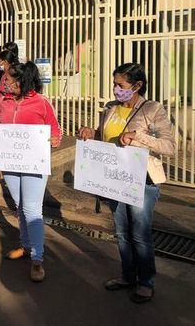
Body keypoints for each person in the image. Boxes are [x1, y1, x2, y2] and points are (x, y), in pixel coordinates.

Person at [78, 63, 175, 303]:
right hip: (115, 179)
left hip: (143, 181)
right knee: (121, 232)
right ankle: (127, 275)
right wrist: (91, 132)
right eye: (114, 84)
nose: (115, 89)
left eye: (120, 85)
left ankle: (146, 282)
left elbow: (170, 146)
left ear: (137, 85)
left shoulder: (152, 109)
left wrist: (138, 137)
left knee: (140, 234)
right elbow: (103, 135)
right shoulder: (111, 108)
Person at [0, 61, 61, 282]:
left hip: (34, 164)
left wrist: (55, 139)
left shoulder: (42, 103)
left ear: (24, 81)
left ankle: (37, 259)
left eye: (11, 78)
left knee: (33, 209)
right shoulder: (3, 102)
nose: (6, 81)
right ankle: (25, 246)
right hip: (11, 163)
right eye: (7, 77)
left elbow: (55, 128)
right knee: (20, 206)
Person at [0, 49, 19, 115]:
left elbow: (10, 90)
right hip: (0, 108)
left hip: (5, 109)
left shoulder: (10, 75)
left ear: (5, 62)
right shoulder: (3, 73)